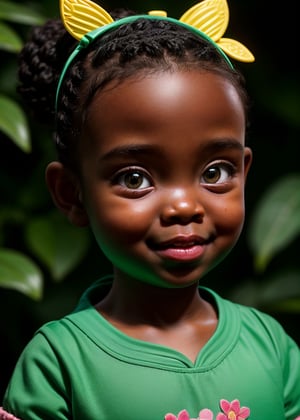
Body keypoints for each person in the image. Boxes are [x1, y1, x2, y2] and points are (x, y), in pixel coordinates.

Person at [1, 0, 300, 418]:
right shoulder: (60, 363)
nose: (183, 206)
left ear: (244, 172)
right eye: (135, 178)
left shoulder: (272, 347)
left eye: (215, 172)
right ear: (71, 193)